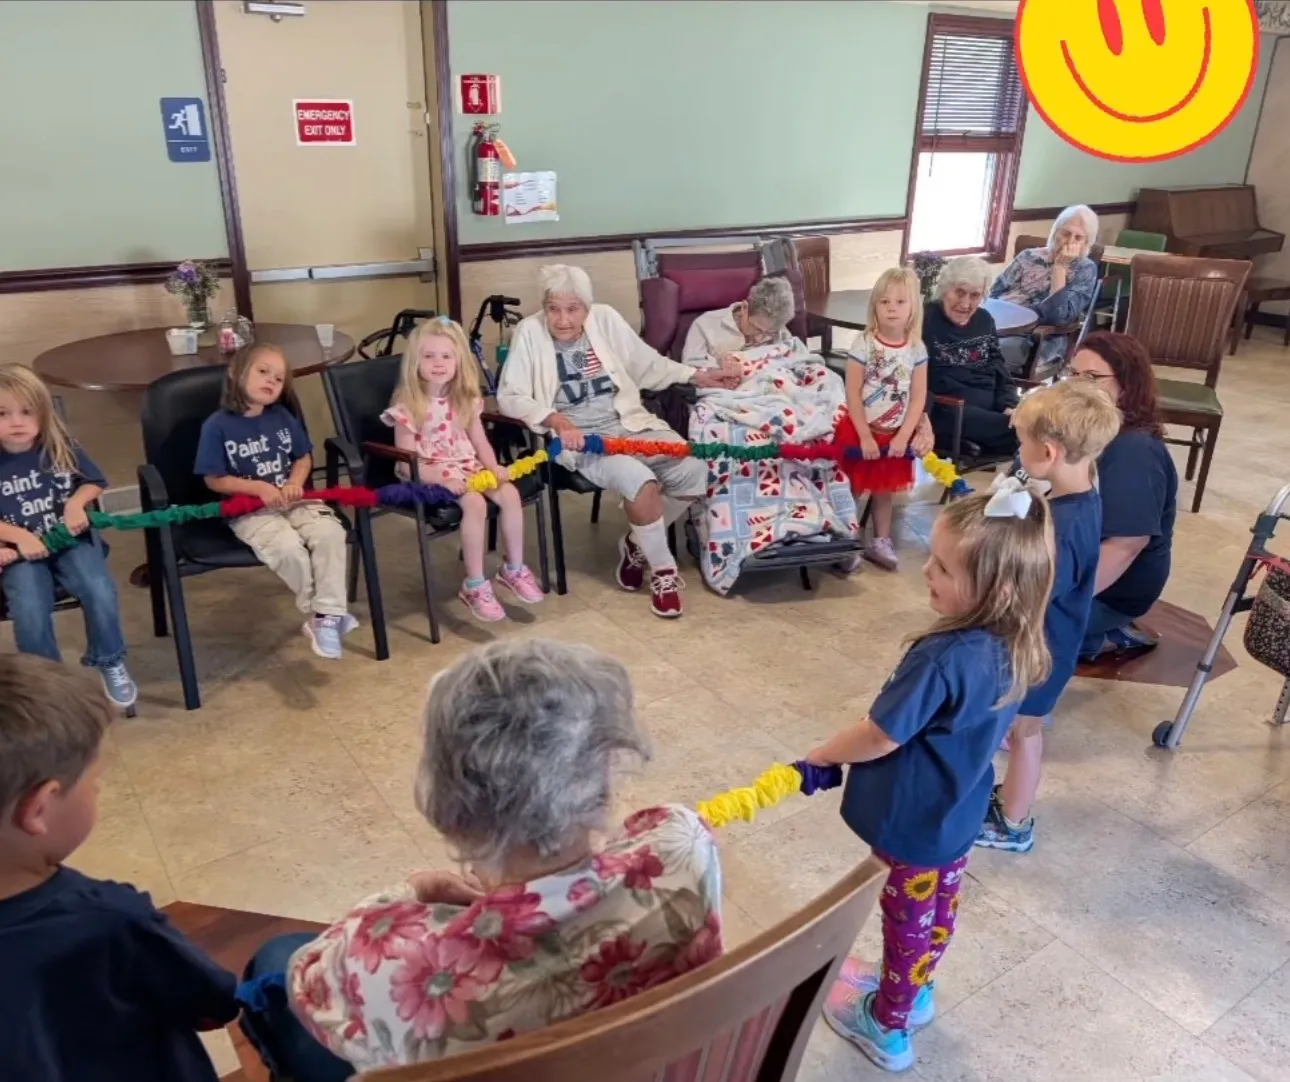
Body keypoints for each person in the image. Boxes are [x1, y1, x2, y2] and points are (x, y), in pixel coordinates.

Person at [242, 639, 722, 1079]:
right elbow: (636, 839)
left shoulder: (382, 958)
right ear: (604, 769)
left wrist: (408, 895)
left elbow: (308, 979)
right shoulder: (682, 847)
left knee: (276, 959)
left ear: (450, 806)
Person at [805, 489, 1055, 1073]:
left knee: (905, 919)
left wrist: (822, 753)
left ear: (996, 587)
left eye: (943, 567)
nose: (926, 571)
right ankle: (913, 989)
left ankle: (888, 1025)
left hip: (912, 821)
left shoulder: (942, 657)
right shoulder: (1017, 642)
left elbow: (880, 734)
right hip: (957, 813)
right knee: (937, 907)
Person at [0, 654, 239, 1081]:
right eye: (93, 781)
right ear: (39, 809)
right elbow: (214, 1001)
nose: (97, 789)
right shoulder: (111, 919)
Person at [497, 264, 736, 619]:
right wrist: (556, 420)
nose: (562, 320)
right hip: (580, 440)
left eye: (572, 309)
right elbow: (510, 395)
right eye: (554, 309)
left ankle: (635, 545)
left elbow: (647, 364)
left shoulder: (605, 320)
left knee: (696, 471)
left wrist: (698, 376)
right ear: (544, 307)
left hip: (629, 423)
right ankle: (664, 574)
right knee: (640, 482)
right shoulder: (529, 333)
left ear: (587, 308)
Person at [976, 381, 1120, 853]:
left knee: (1023, 732)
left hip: (1040, 649)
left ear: (1051, 451)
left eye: (1022, 444)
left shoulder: (1062, 528)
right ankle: (1012, 804)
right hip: (1055, 644)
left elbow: (1034, 594)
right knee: (1025, 731)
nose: (1019, 452)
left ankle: (1013, 823)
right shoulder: (1085, 486)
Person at [194, 344, 356, 659]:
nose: (271, 381)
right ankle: (325, 614)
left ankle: (325, 618)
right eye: (263, 371)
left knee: (331, 534)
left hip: (295, 500)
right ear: (235, 372)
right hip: (249, 511)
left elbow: (303, 457)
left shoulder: (281, 416)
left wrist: (296, 481)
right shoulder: (217, 426)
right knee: (287, 548)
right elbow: (213, 479)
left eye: (279, 378)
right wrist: (256, 487)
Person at [384, 316, 544, 622]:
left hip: (466, 466)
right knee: (473, 503)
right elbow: (405, 461)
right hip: (426, 472)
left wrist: (494, 465)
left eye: (446, 356)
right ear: (414, 362)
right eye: (428, 356)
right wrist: (443, 478)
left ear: (458, 361)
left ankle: (513, 568)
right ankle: (474, 584)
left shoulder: (464, 399)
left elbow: (479, 440)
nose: (438, 363)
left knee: (509, 494)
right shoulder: (408, 404)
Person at [0, 365, 136, 709]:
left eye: (27, 411)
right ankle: (47, 684)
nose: (17, 422)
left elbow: (93, 482)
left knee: (98, 587)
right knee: (30, 607)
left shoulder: (60, 445)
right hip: (21, 553)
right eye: (3, 413)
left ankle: (110, 659)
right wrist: (17, 536)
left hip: (70, 541)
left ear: (43, 413)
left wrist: (77, 503)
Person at [1069, 332, 1178, 660]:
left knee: (1013, 631)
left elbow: (1126, 546)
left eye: (1092, 378)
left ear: (1126, 387)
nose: (1077, 388)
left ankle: (1107, 634)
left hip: (1111, 592)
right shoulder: (1088, 433)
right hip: (1078, 565)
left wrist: (1062, 600)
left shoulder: (1134, 452)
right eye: (1073, 376)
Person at [834, 267, 932, 571]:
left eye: (900, 302)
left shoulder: (916, 349)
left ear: (913, 307)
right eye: (884, 302)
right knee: (852, 487)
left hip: (893, 434)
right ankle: (846, 539)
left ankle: (881, 540)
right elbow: (852, 391)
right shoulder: (864, 343)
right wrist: (864, 435)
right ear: (874, 306)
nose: (892, 308)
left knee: (883, 490)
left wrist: (903, 435)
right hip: (862, 428)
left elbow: (917, 397)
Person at [924, 256, 1020, 458]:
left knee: (1027, 420)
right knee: (1028, 431)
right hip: (949, 409)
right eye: (959, 292)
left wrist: (1009, 404)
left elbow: (999, 368)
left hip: (988, 410)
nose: (965, 303)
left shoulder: (985, 320)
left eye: (975, 295)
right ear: (944, 289)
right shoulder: (926, 320)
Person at [991, 205, 1100, 374]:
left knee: (984, 354)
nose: (1069, 241)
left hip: (1036, 338)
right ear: (1054, 232)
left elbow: (1059, 316)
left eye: (1078, 238)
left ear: (1086, 243)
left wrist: (1060, 267)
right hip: (999, 326)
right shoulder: (1028, 256)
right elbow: (994, 293)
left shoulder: (1085, 269)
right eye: (1065, 233)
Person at [681, 275, 797, 366]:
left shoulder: (777, 328)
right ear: (744, 308)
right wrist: (720, 365)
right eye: (757, 329)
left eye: (769, 333)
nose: (759, 339)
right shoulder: (705, 325)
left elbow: (798, 360)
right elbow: (690, 367)